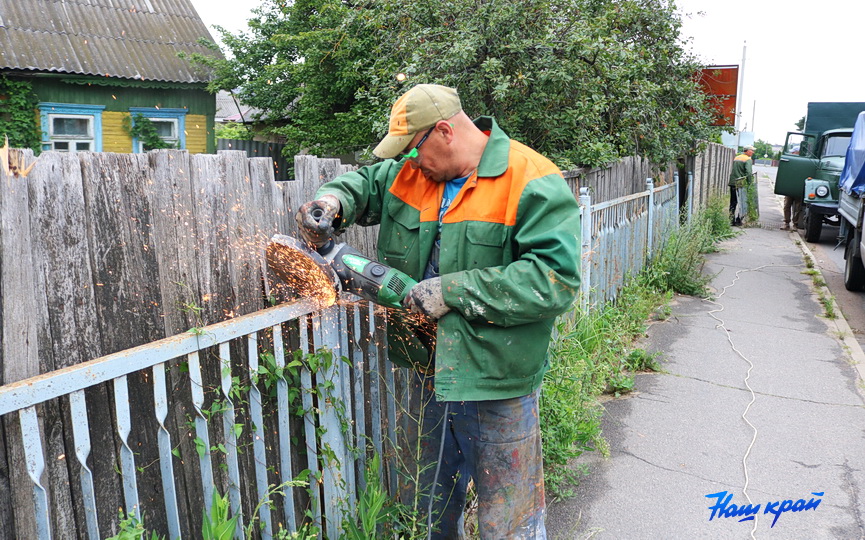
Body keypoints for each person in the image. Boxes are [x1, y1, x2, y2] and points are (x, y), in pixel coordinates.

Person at [295, 83, 581, 539]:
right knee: (430, 506)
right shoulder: (413, 171)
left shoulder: (531, 179)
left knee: (509, 518)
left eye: (413, 148)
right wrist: (331, 202)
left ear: (444, 131)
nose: (408, 160)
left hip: (496, 378)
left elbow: (555, 280)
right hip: (429, 370)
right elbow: (366, 183)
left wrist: (453, 291)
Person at [729, 145, 755, 226]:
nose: (753, 152)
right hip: (741, 183)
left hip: (733, 182)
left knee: (733, 202)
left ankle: (731, 220)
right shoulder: (748, 159)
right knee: (742, 202)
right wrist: (750, 183)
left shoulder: (737, 157)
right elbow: (748, 173)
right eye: (752, 150)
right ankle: (738, 220)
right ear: (747, 151)